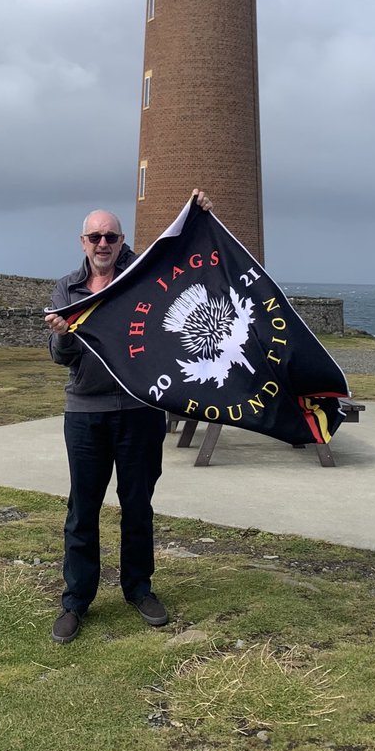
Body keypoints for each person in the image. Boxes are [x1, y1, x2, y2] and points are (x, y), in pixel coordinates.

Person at [45, 188, 213, 644]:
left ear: (122, 242)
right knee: (83, 509)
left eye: (111, 237)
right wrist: (62, 335)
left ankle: (139, 589)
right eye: (95, 237)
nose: (103, 244)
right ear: (83, 242)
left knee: (137, 505)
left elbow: (176, 264)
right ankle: (76, 600)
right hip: (85, 414)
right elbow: (60, 357)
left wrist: (197, 217)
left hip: (140, 412)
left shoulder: (141, 277)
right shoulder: (67, 289)